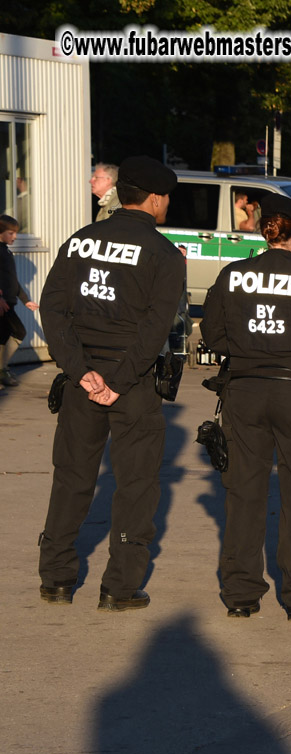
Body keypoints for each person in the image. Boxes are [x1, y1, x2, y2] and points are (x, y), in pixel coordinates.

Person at [37, 156, 185, 610]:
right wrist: (118, 380)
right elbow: (156, 328)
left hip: (82, 381)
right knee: (136, 485)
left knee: (72, 480)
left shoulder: (80, 242)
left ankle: (56, 579)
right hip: (132, 384)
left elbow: (53, 310)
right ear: (156, 199)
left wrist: (81, 372)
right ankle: (119, 588)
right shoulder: (162, 254)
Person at [200, 194, 291, 621]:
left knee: (244, 494)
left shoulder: (233, 275)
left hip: (243, 391)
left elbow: (213, 334)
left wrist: (247, 353)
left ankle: (241, 595)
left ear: (266, 232)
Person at [0, 214, 38, 386]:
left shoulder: (6, 252)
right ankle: (1, 369)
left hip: (9, 302)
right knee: (19, 332)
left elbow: (13, 281)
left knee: (3, 337)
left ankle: (2, 370)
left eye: (15, 233)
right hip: (3, 304)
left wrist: (25, 300)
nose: (14, 237)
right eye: (10, 233)